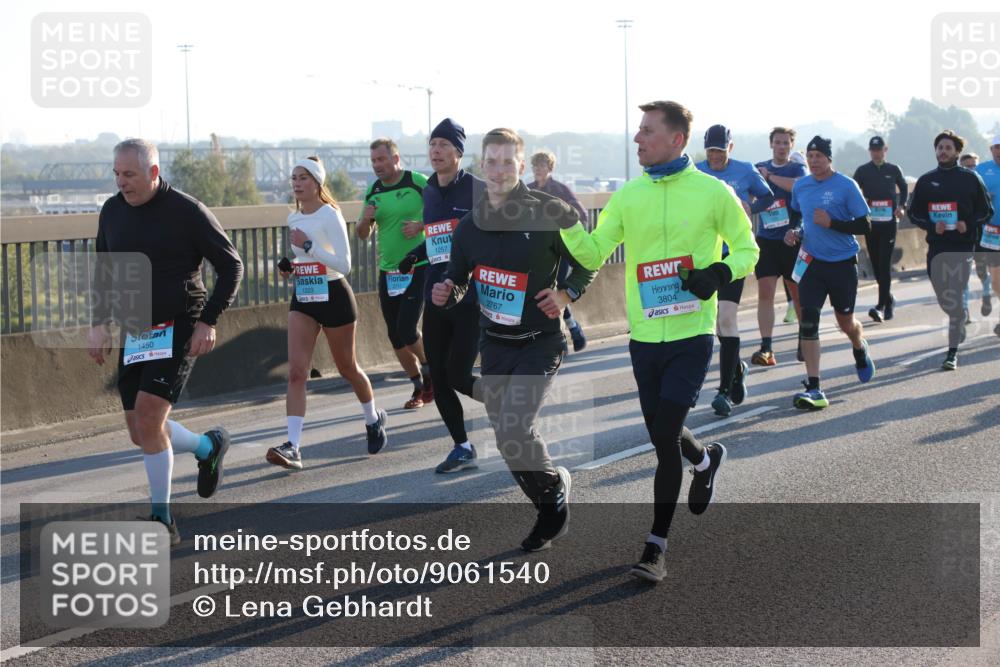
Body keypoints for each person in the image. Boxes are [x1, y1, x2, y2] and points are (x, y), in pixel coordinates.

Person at [559, 101, 758, 582]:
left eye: (646, 131)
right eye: (637, 130)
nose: (637, 139)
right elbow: (591, 252)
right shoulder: (628, 196)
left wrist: (718, 271)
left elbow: (749, 249)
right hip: (645, 336)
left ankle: (655, 546)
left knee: (665, 435)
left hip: (692, 333)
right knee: (661, 433)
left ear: (675, 139)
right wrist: (564, 219)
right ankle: (706, 459)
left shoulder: (714, 192)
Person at [431, 128, 596, 552]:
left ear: (521, 166)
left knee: (515, 425)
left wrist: (565, 293)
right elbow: (461, 276)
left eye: (509, 162)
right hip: (496, 343)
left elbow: (589, 262)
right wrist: (450, 289)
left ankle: (552, 507)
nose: (500, 169)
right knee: (507, 439)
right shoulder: (469, 226)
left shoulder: (552, 211)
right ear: (481, 167)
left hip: (540, 341)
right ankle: (550, 489)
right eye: (493, 161)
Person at [88, 138, 244, 545]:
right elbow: (105, 272)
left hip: (179, 324)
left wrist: (208, 322)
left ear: (153, 173)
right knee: (140, 430)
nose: (122, 183)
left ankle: (162, 519)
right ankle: (207, 447)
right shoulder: (111, 211)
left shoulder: (187, 211)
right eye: (117, 174)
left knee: (149, 417)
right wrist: (99, 323)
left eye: (130, 175)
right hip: (136, 327)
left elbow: (231, 266)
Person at [266, 157, 388, 470]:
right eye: (293, 177)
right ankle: (293, 446)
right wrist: (290, 267)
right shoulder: (293, 217)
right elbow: (305, 259)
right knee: (296, 372)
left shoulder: (329, 215)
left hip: (334, 295)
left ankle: (373, 419)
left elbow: (344, 264)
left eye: (303, 177)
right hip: (305, 294)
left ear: (317, 182)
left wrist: (308, 246)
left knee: (347, 367)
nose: (296, 183)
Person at [397, 119, 484, 473]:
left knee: (460, 375)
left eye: (444, 145)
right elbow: (438, 237)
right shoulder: (429, 191)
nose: (436, 151)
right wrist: (415, 255)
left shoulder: (479, 190)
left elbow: (492, 240)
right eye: (432, 144)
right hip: (436, 297)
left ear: (458, 153)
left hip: (470, 299)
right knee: (439, 374)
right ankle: (462, 446)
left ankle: (508, 407)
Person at [784, 136, 876, 410]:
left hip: (842, 263)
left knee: (845, 322)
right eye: (810, 156)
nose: (813, 161)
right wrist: (796, 232)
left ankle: (859, 346)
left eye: (819, 156)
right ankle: (814, 386)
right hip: (812, 262)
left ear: (829, 158)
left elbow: (865, 224)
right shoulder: (801, 186)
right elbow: (800, 216)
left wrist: (832, 222)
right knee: (809, 322)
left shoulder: (846, 185)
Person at [695, 125, 772, 417]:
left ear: (731, 147)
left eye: (720, 150)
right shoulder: (696, 172)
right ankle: (736, 367)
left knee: (727, 319)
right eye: (711, 150)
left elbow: (766, 197)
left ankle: (724, 392)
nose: (715, 156)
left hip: (733, 258)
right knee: (715, 324)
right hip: (703, 259)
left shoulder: (745, 171)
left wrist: (749, 205)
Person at [357, 139, 433, 409]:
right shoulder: (373, 190)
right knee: (395, 335)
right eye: (374, 161)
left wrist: (422, 224)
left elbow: (441, 210)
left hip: (418, 266)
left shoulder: (417, 181)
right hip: (389, 270)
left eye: (382, 159)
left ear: (396, 158)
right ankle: (418, 387)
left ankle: (429, 371)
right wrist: (365, 219)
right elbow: (362, 234)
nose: (377, 165)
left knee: (407, 328)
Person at [909, 130, 994, 369]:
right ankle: (957, 317)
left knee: (955, 295)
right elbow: (914, 212)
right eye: (939, 147)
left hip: (962, 247)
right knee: (945, 299)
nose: (943, 151)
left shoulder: (970, 178)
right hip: (937, 246)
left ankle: (952, 353)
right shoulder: (926, 181)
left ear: (957, 152)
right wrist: (930, 224)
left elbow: (986, 211)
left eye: (948, 148)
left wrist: (968, 223)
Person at [753, 127, 807, 366]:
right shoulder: (759, 167)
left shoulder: (797, 168)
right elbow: (750, 196)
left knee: (797, 293)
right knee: (765, 292)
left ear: (791, 146)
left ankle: (805, 339)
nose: (782, 146)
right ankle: (766, 347)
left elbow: (799, 186)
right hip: (766, 239)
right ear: (771, 144)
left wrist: (771, 177)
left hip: (792, 239)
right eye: (778, 142)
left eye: (786, 143)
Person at [528, 150, 589, 352]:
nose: (538, 169)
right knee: (545, 292)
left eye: (542, 166)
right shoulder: (527, 190)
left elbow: (581, 215)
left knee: (557, 290)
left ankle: (565, 335)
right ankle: (572, 330)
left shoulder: (560, 190)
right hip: (537, 252)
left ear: (550, 168)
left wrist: (563, 227)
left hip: (560, 251)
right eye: (535, 166)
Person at [852, 136, 908, 322]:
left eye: (879, 149)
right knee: (876, 266)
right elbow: (852, 190)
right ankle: (889, 299)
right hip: (871, 224)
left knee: (884, 264)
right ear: (870, 151)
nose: (876, 153)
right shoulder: (863, 171)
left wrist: (902, 206)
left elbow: (904, 187)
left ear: (886, 150)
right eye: (873, 150)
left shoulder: (893, 169)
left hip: (889, 224)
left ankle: (880, 306)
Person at [974, 135, 1000, 337]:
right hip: (992, 233)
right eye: (996, 148)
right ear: (991, 150)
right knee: (996, 280)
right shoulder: (981, 171)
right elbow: (968, 194)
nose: (999, 151)